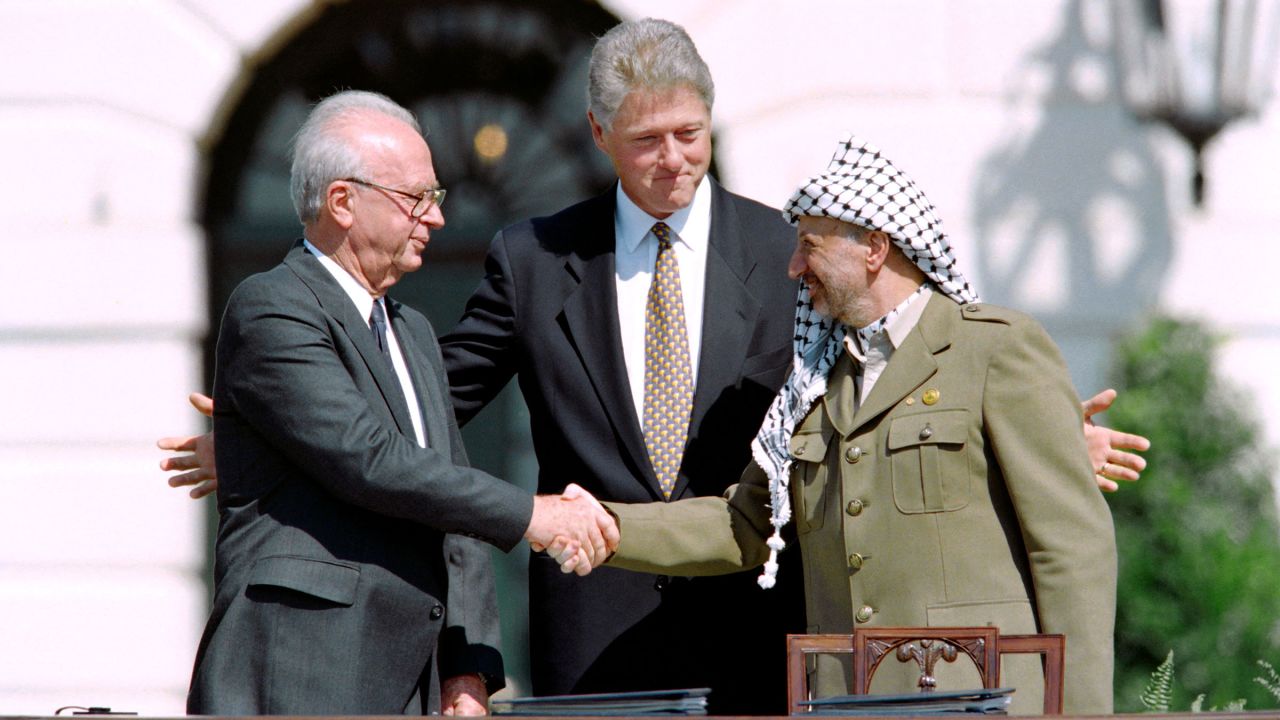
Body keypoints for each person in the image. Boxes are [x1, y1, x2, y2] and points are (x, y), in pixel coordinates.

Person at [160, 19, 1147, 715]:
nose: (673, 159)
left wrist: (1038, 437)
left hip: (773, 633)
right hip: (595, 640)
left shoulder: (789, 251)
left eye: (690, 135)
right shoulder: (533, 256)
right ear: (597, 139)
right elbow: (427, 409)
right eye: (646, 141)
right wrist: (277, 433)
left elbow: (880, 393)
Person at [562, 134, 1119, 715]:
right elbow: (744, 522)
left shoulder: (993, 350)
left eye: (809, 245)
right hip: (843, 703)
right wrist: (607, 526)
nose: (794, 266)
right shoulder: (812, 381)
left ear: (874, 247)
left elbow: (1071, 548)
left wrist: (1079, 711)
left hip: (977, 699)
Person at [184, 89, 616, 716]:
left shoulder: (410, 329)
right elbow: (370, 459)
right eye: (417, 199)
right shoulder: (271, 305)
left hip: (409, 682)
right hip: (300, 672)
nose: (437, 217)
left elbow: (448, 487)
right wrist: (533, 514)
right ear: (342, 202)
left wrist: (470, 667)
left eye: (435, 198)